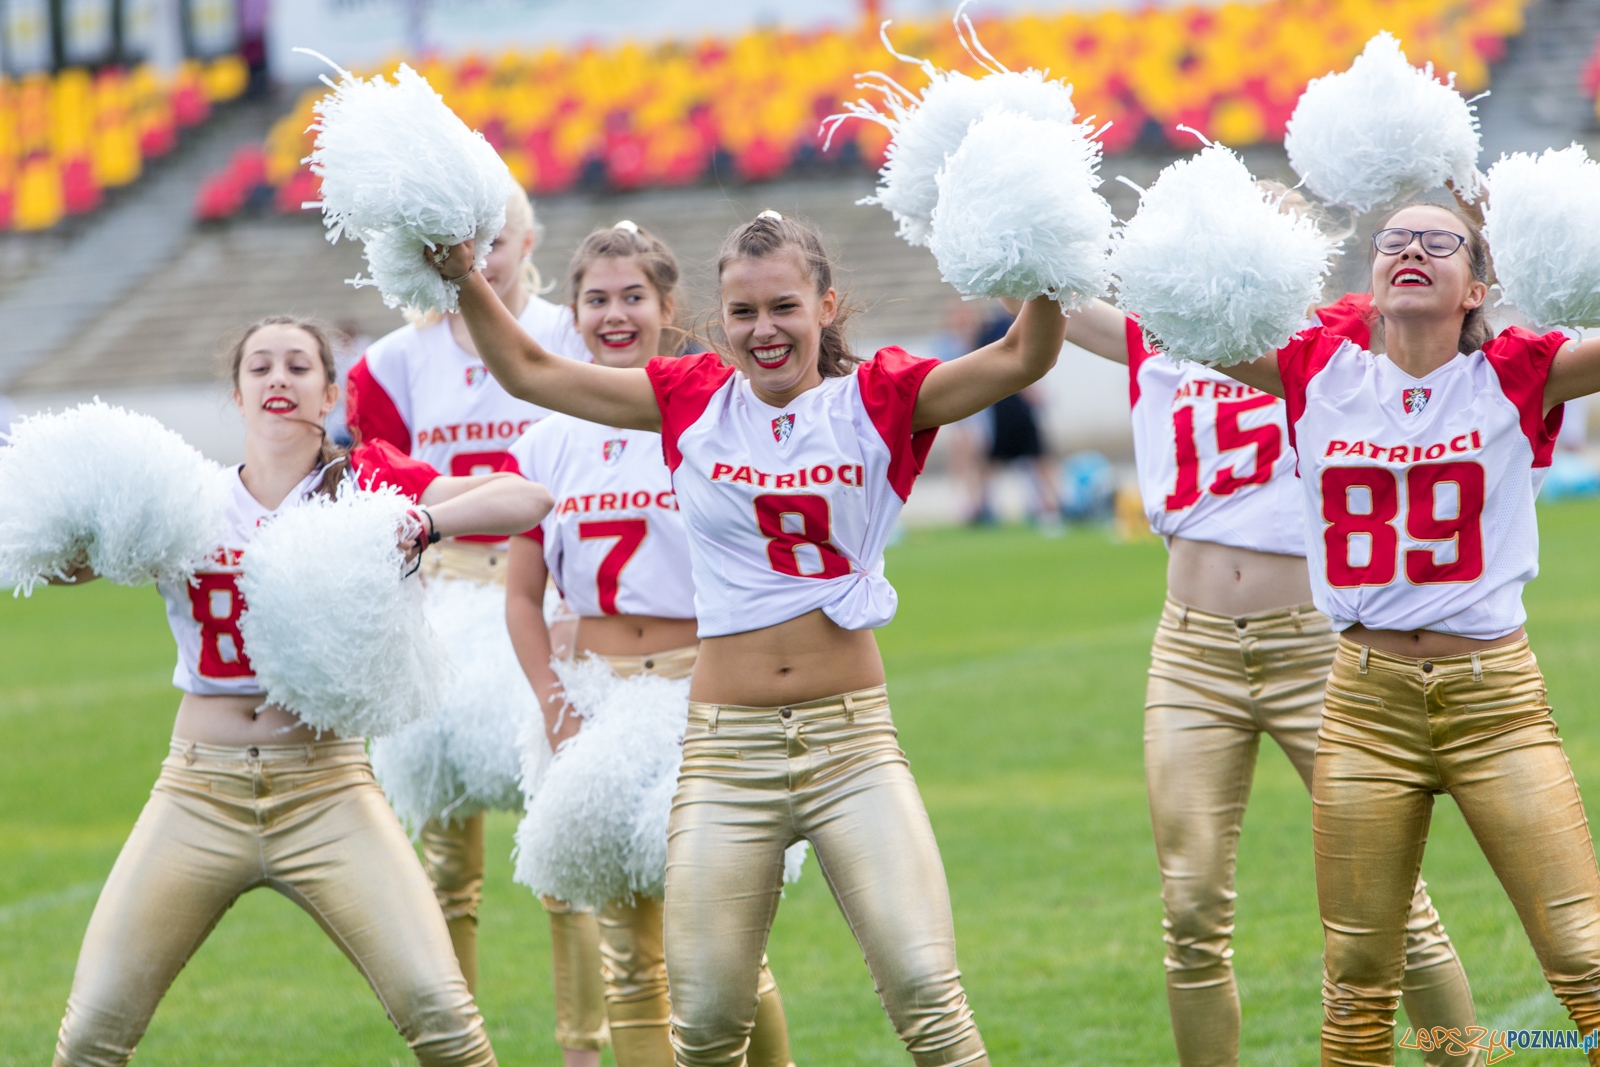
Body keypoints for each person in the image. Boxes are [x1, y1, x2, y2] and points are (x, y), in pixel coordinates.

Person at [430, 209, 1067, 1067]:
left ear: (825, 307)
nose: (763, 330)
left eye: (783, 307)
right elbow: (529, 367)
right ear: (720, 316)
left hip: (851, 741)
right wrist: (464, 274)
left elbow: (1023, 355)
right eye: (742, 311)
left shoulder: (879, 398)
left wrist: (1046, 259)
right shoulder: (691, 397)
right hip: (726, 749)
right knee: (706, 1021)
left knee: (927, 993)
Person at [47, 315, 555, 1067]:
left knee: (444, 1018)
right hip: (198, 788)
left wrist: (424, 521)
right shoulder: (185, 495)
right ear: (237, 394)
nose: (278, 379)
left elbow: (526, 497)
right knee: (91, 1034)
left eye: (297, 366)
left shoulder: (367, 483)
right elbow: (66, 567)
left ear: (331, 394)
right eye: (260, 367)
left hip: (326, 785)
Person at [1221, 199, 1600, 1065]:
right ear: (1370, 277)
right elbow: (1185, 324)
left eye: (1440, 243)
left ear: (1477, 284)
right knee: (1356, 980)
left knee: (1585, 957)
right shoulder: (1318, 369)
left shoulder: (1514, 373)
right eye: (1393, 241)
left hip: (1494, 699)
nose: (1412, 252)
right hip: (1362, 700)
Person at [1057, 287, 1477, 1066]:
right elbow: (1046, 296)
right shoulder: (1165, 332)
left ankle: (1466, 1059)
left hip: (1316, 649)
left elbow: (1447, 327)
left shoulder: (1335, 336)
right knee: (1189, 908)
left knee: (1391, 902)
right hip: (1190, 651)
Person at [504, 220, 795, 1067]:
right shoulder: (547, 436)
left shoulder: (712, 420)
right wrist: (557, 708)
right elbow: (522, 597)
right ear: (575, 313)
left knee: (722, 947)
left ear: (669, 307)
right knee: (628, 959)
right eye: (596, 299)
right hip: (592, 696)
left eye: (633, 296)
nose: (614, 314)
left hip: (699, 692)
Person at [346, 189, 609, 1065]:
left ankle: (583, 1050)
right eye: (460, 240)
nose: (482, 253)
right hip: (447, 603)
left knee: (568, 848)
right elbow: (378, 485)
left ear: (529, 238)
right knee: (445, 862)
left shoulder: (575, 332)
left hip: (547, 599)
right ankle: (454, 1049)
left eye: (497, 235)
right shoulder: (395, 360)